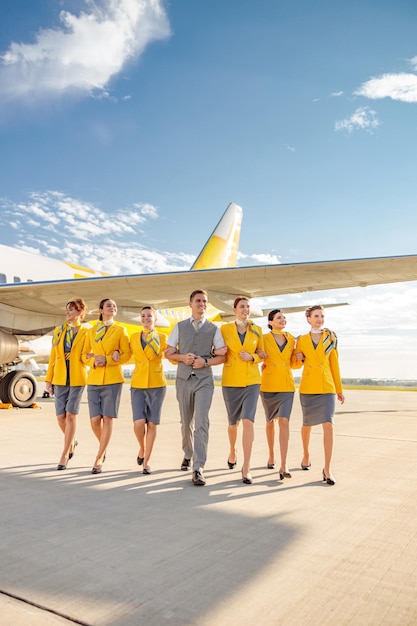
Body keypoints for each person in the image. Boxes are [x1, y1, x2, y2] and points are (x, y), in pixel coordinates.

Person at [165, 289, 226, 487]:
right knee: (185, 422)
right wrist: (183, 357)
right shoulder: (180, 327)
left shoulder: (214, 329)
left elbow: (222, 356)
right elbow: (169, 352)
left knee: (202, 421)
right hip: (183, 379)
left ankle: (198, 467)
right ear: (190, 304)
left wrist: (206, 362)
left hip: (204, 381)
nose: (202, 304)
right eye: (198, 301)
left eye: (204, 301)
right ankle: (188, 453)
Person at [295, 305, 345, 485]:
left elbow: (334, 364)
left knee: (329, 425)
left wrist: (339, 389)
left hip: (327, 386)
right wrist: (298, 357)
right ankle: (306, 454)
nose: (320, 319)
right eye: (316, 316)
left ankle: (327, 468)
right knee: (307, 425)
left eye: (322, 316)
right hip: (308, 387)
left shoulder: (330, 338)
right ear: (308, 318)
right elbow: (294, 364)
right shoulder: (300, 340)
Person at [220, 296, 263, 485]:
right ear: (234, 309)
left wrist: (252, 357)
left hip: (252, 381)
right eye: (242, 307)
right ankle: (232, 450)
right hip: (231, 381)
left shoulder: (257, 329)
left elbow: (262, 354)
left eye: (248, 307)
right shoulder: (224, 329)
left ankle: (247, 466)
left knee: (248, 421)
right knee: (233, 423)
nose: (245, 309)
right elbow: (218, 349)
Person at [85, 298, 131, 475]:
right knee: (95, 420)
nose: (113, 308)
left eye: (114, 306)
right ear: (101, 310)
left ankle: (99, 457)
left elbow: (127, 355)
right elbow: (84, 354)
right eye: (109, 306)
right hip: (94, 378)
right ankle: (103, 448)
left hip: (112, 379)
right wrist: (92, 360)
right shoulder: (92, 331)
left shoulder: (121, 330)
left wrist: (109, 359)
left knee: (107, 418)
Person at [45, 298, 88, 470]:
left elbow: (87, 354)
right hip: (60, 377)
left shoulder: (86, 332)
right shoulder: (59, 330)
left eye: (71, 309)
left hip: (77, 377)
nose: (67, 312)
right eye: (67, 309)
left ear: (79, 312)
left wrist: (91, 360)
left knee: (71, 415)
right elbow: (53, 356)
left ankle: (64, 453)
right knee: (60, 417)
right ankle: (72, 441)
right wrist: (49, 379)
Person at [260, 309, 301, 480]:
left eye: (284, 317)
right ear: (270, 322)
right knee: (270, 422)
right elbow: (258, 355)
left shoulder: (291, 339)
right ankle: (271, 455)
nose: (282, 319)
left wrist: (299, 358)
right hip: (269, 385)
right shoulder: (263, 339)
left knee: (284, 421)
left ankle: (284, 464)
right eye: (279, 318)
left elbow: (293, 365)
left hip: (286, 385)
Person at [130, 306, 167, 475]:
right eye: (143, 316)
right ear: (140, 318)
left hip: (156, 384)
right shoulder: (133, 338)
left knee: (152, 423)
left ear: (155, 319)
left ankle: (147, 461)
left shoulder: (162, 337)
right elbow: (126, 355)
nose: (146, 318)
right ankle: (142, 448)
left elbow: (172, 356)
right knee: (138, 423)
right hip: (138, 383)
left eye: (149, 316)